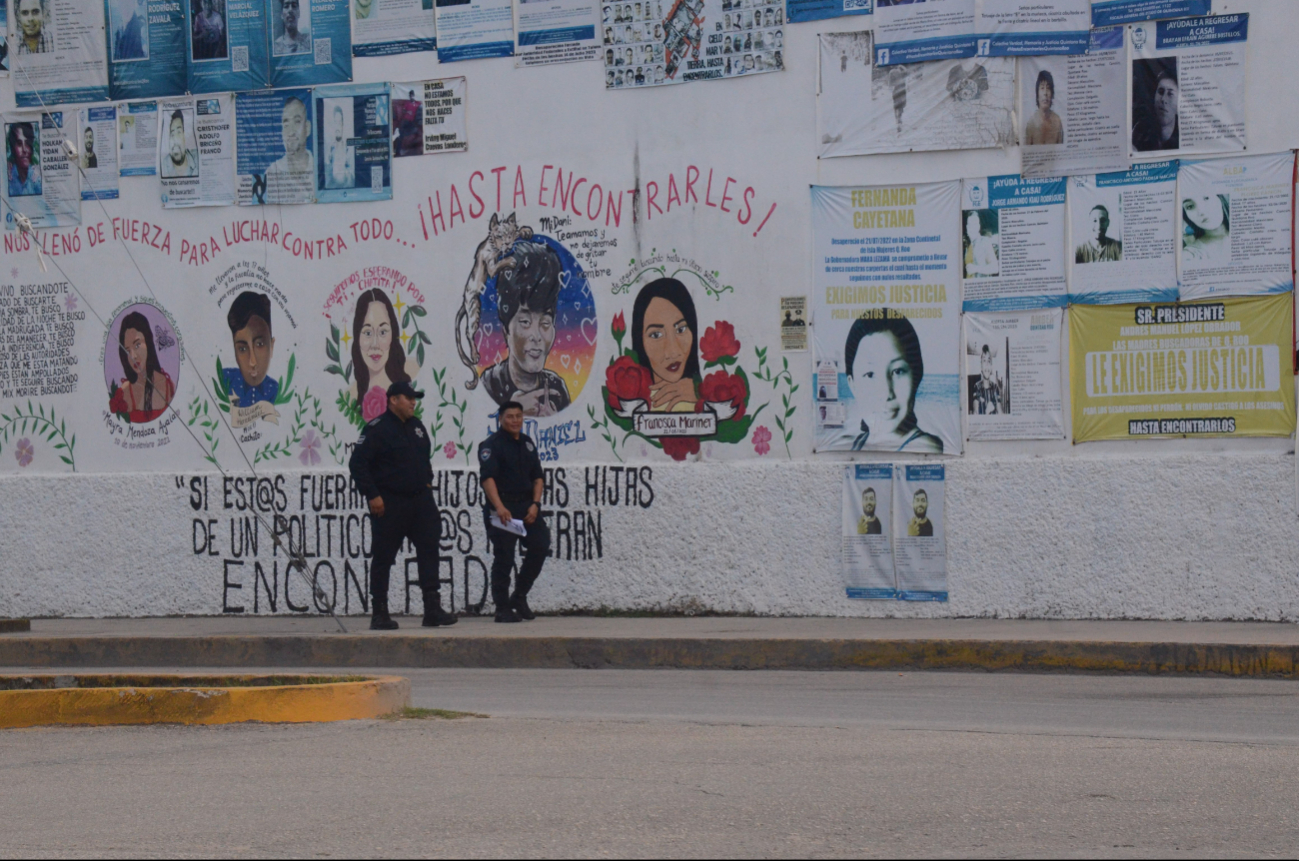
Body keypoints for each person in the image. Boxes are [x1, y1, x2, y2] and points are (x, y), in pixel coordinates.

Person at [349, 382, 457, 630]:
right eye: (408, 398)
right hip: (390, 503)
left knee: (429, 551)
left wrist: (428, 485)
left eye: (414, 399)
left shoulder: (417, 427)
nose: (413, 402)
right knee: (384, 557)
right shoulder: (377, 429)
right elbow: (358, 465)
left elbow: (424, 459)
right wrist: (373, 495)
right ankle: (380, 613)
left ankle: (432, 609)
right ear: (393, 400)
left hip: (421, 501)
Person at [481, 241, 572, 417]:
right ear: (506, 330)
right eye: (525, 321)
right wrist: (510, 411)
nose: (536, 336)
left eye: (545, 323)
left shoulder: (557, 388)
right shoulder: (489, 384)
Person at [479, 401, 550, 623]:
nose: (515, 421)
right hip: (504, 509)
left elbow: (538, 477)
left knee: (540, 545)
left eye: (519, 416)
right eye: (510, 417)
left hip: (527, 507)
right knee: (505, 558)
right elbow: (487, 479)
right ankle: (502, 608)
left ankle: (519, 596)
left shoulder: (528, 444)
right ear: (501, 419)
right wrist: (499, 507)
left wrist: (535, 504)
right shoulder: (491, 445)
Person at [845, 313, 943, 453]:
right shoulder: (859, 442)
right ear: (852, 385)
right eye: (870, 375)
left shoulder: (924, 447)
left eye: (898, 371)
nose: (886, 393)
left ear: (916, 375)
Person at [632, 278, 701, 412]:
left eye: (681, 330)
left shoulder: (708, 399)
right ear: (640, 342)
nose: (673, 351)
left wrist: (700, 392)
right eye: (656, 335)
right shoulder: (633, 406)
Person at [351, 288, 419, 422]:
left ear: (393, 335)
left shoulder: (407, 394)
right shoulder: (348, 398)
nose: (375, 344)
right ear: (357, 337)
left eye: (382, 332)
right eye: (368, 333)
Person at [109, 311, 176, 423]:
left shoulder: (168, 388)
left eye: (137, 345)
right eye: (127, 350)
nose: (133, 356)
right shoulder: (123, 394)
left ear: (148, 343)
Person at [223, 292, 279, 407]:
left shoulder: (277, 392)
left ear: (272, 346)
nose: (252, 362)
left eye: (259, 344)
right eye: (242, 349)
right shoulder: (223, 382)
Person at [265, 96, 313, 201]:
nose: (291, 132)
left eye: (297, 122)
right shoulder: (272, 172)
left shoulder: (319, 168)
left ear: (307, 128)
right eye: (286, 124)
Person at [1133, 63, 1178, 152]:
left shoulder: (1181, 138)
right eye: (1160, 92)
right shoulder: (1139, 131)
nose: (1163, 99)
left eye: (1170, 94)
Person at [1182, 193, 1230, 261]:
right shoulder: (1191, 254)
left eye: (1206, 198)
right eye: (1190, 206)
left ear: (1219, 198)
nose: (1201, 211)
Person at [1024, 69, 1063, 146]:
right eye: (1042, 88)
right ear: (1037, 94)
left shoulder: (1057, 121)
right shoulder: (1031, 122)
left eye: (1048, 88)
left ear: (1052, 94)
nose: (1045, 93)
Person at [6, 122, 42, 197]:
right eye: (19, 143)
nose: (24, 149)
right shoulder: (7, 178)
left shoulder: (37, 179)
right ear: (13, 148)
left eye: (28, 143)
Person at [324, 104, 354, 189]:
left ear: (343, 125)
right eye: (335, 122)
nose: (338, 126)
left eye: (340, 122)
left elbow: (352, 175)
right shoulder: (329, 149)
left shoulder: (348, 148)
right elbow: (326, 179)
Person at [161, 110, 198, 178]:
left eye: (179, 132)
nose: (175, 140)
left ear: (185, 136)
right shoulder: (162, 167)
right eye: (172, 134)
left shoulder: (197, 159)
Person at [963, 210, 999, 278]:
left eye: (974, 224)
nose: (971, 227)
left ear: (978, 227)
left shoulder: (984, 241)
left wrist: (976, 268)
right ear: (967, 227)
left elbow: (995, 268)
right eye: (969, 224)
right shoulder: (968, 246)